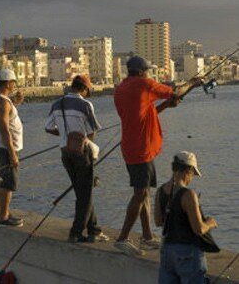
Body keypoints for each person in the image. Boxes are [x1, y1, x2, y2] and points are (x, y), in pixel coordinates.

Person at [113, 56, 203, 255]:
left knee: (144, 193)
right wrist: (192, 83)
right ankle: (122, 238)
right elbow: (175, 92)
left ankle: (146, 237)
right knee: (139, 195)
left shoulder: (121, 89)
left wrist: (165, 106)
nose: (148, 74)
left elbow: (144, 114)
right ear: (142, 71)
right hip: (141, 150)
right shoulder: (145, 84)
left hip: (130, 147)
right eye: (148, 71)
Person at [45, 74, 109, 243]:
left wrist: (65, 136)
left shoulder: (57, 104)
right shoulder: (85, 105)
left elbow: (48, 127)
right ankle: (76, 232)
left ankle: (94, 229)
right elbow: (92, 131)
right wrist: (89, 150)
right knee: (85, 194)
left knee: (82, 192)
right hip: (82, 153)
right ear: (84, 88)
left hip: (65, 152)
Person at [155, 152, 217, 283]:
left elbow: (158, 222)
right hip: (188, 252)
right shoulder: (188, 194)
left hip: (167, 251)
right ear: (188, 170)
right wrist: (210, 223)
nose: (192, 178)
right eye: (193, 174)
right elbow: (198, 229)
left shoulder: (160, 191)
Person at [0, 69, 24, 227]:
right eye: (14, 82)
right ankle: (3, 216)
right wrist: (12, 153)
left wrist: (15, 103)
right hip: (4, 147)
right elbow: (4, 128)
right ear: (8, 83)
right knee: (8, 182)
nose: (15, 85)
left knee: (7, 181)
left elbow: (5, 115)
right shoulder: (2, 101)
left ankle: (5, 213)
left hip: (1, 146)